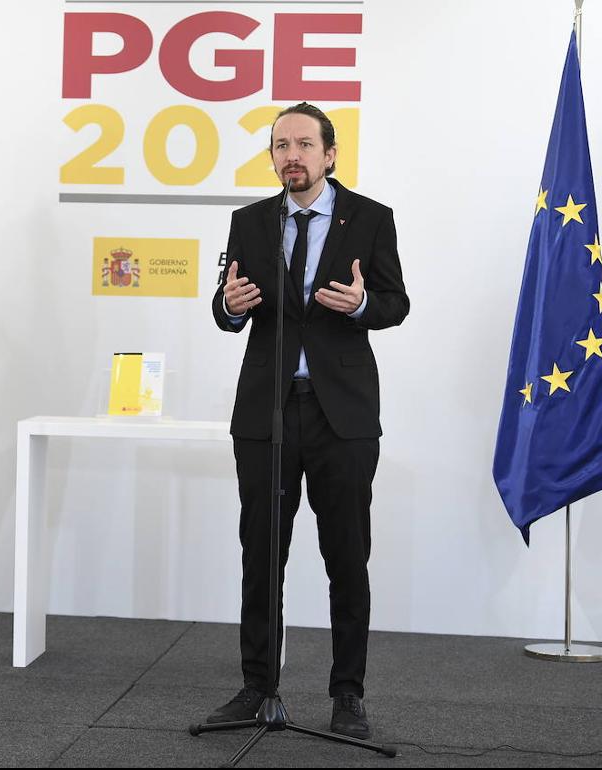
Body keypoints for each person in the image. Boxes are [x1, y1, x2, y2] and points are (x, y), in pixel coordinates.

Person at [206, 102, 408, 739]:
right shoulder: (251, 222)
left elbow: (396, 302)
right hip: (265, 413)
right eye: (280, 145)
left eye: (303, 144)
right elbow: (228, 303)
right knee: (261, 554)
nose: (291, 155)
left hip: (340, 416)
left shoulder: (371, 219)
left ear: (329, 154)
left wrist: (362, 303)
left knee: (346, 557)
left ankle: (347, 694)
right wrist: (228, 307)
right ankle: (257, 687)